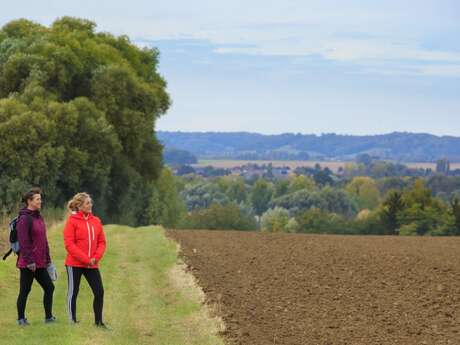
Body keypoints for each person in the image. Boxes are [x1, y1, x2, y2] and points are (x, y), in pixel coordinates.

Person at [63, 192, 107, 327]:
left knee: (99, 291)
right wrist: (86, 259)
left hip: (92, 264)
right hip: (74, 264)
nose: (91, 205)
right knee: (73, 292)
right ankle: (72, 321)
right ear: (80, 206)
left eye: (90, 202)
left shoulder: (96, 221)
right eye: (88, 203)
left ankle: (98, 322)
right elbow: (69, 245)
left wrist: (95, 258)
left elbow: (102, 242)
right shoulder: (71, 221)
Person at [16, 187, 55, 326]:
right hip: (28, 263)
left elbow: (43, 240)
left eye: (40, 199)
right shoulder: (24, 219)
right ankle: (21, 319)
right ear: (29, 201)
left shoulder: (39, 217)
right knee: (25, 290)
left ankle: (49, 317)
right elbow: (23, 242)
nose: (40, 201)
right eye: (38, 199)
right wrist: (29, 261)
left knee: (49, 288)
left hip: (40, 262)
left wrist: (48, 260)